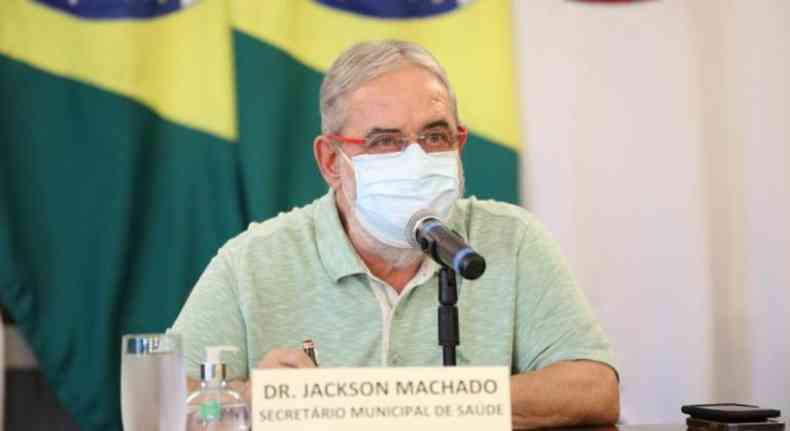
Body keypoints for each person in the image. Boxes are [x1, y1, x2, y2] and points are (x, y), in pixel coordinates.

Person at [171, 40, 619, 429]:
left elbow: (593, 387)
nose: (416, 160)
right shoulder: (252, 261)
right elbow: (170, 405)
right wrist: (247, 401)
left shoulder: (512, 240)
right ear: (331, 161)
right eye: (385, 141)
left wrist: (414, 403)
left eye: (435, 136)